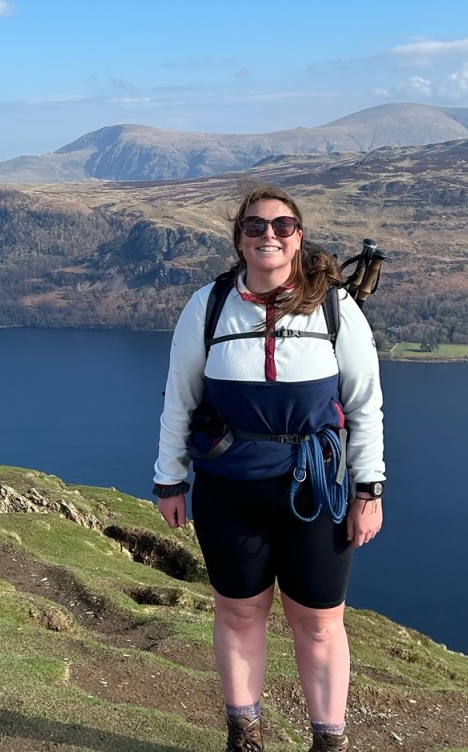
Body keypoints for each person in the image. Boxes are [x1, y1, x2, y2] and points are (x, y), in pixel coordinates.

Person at [153, 184, 385, 752]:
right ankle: (244, 737)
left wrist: (368, 489)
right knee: (238, 613)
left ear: (298, 237)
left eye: (282, 226)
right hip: (229, 491)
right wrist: (169, 479)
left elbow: (365, 403)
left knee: (322, 622)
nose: (269, 236)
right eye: (255, 227)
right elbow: (179, 399)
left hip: (316, 489)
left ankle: (329, 743)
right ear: (239, 239)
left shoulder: (336, 307)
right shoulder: (208, 305)